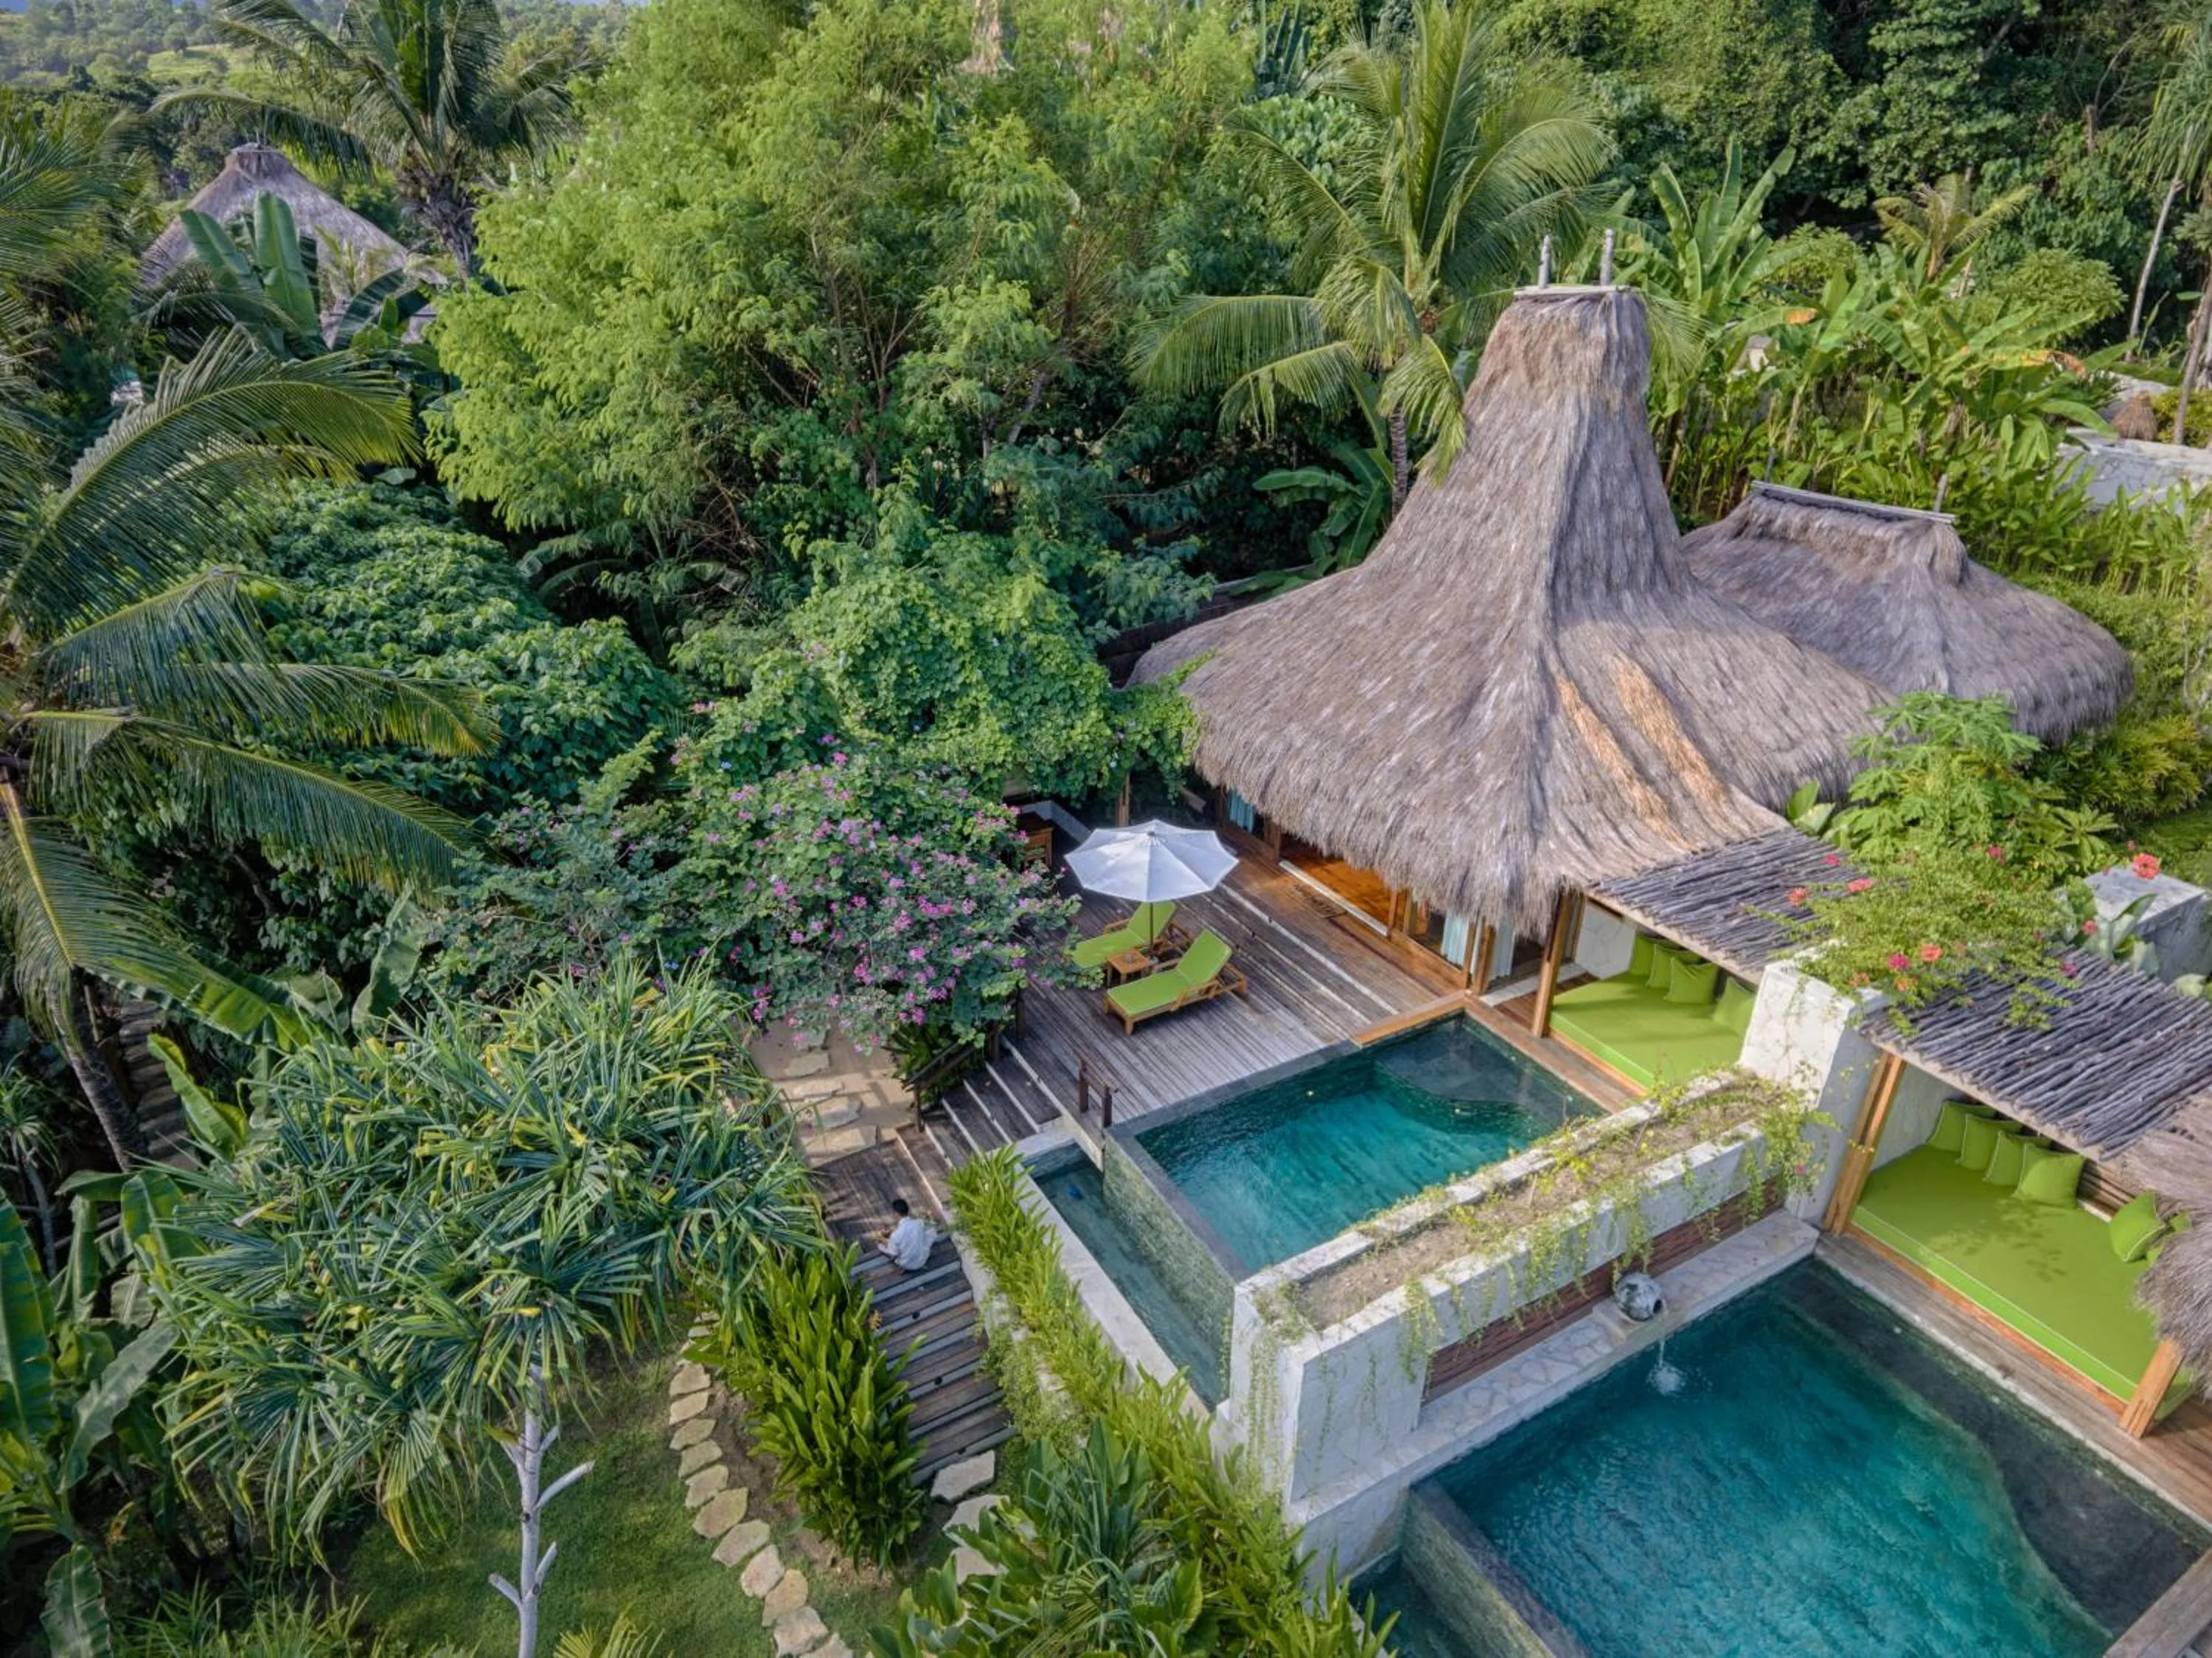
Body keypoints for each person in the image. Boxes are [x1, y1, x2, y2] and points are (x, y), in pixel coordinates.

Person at [877, 1197, 936, 1272]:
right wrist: (930, 1216)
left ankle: (902, 1267)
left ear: (896, 1213)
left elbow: (894, 1255)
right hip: (922, 1260)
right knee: (926, 1234)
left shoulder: (896, 1235)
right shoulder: (919, 1223)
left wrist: (883, 1243)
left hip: (908, 1265)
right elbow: (932, 1229)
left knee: (881, 1246)